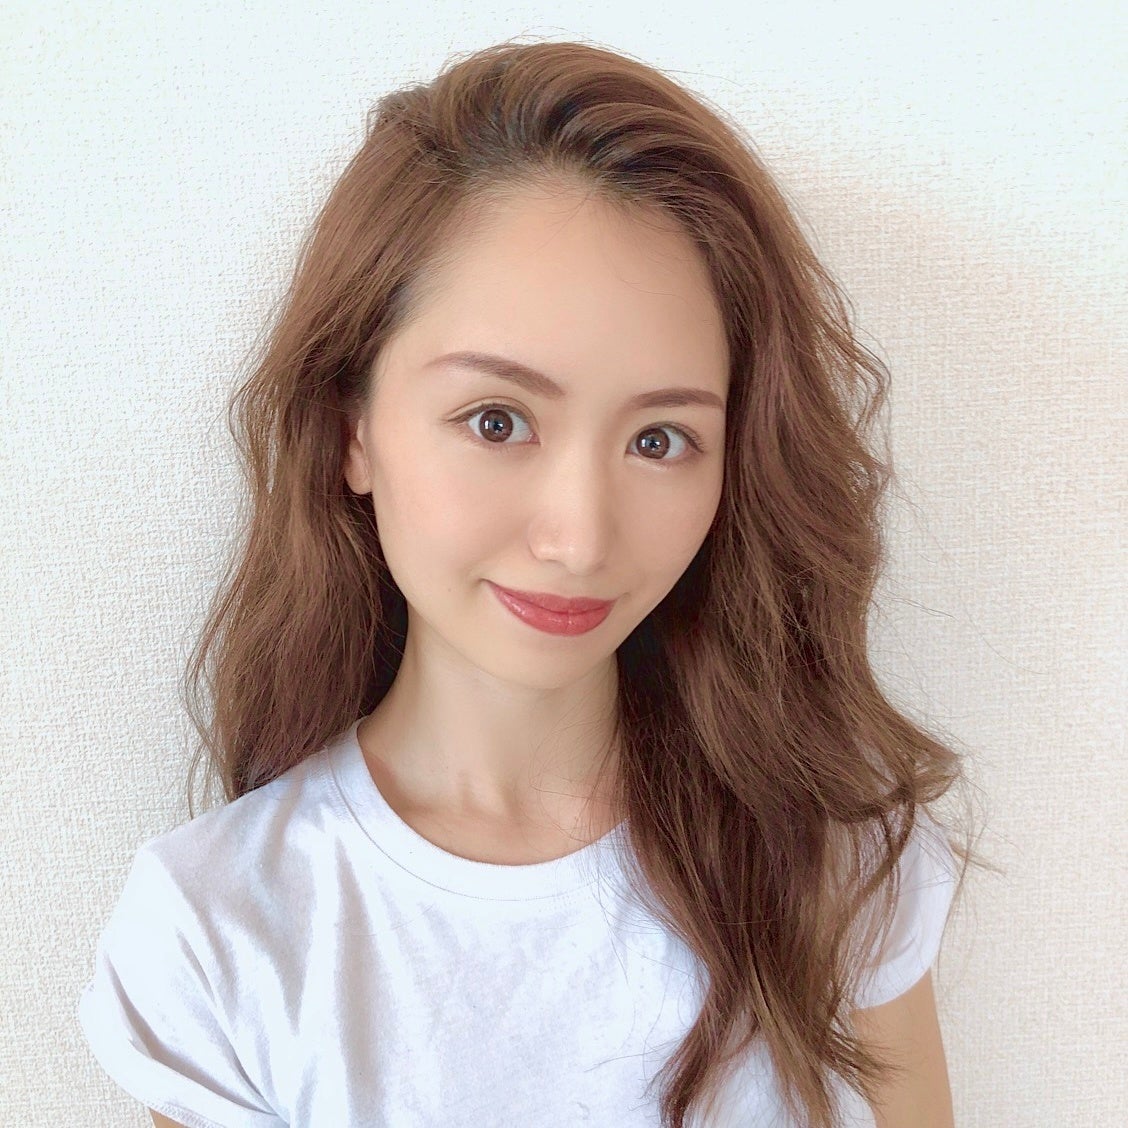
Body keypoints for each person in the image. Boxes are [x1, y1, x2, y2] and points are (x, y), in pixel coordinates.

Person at [78, 37, 978, 1128]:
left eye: (659, 440)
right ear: (352, 429)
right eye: (497, 421)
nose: (580, 537)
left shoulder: (832, 868)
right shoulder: (221, 934)